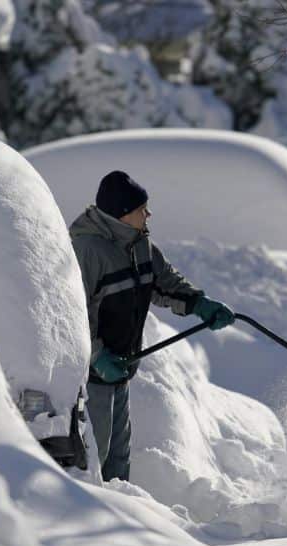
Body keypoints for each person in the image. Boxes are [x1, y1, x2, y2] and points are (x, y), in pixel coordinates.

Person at [69, 171, 235, 482]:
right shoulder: (87, 250)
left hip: (121, 367)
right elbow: (73, 311)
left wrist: (200, 305)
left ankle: (122, 513)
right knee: (92, 458)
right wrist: (96, 356)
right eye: (142, 209)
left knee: (118, 460)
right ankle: (84, 514)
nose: (148, 214)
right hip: (91, 376)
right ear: (122, 214)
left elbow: (165, 283)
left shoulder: (139, 244)